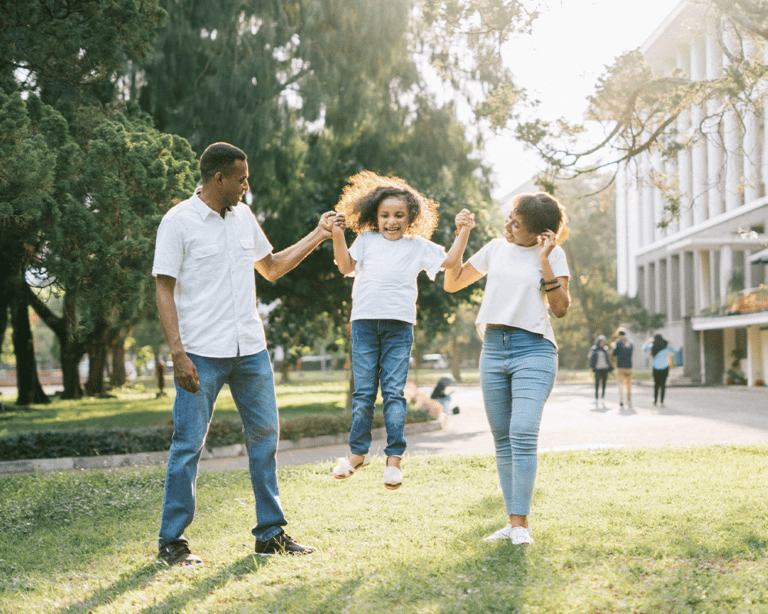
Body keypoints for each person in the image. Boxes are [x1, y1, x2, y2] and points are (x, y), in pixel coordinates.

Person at [153, 142, 334, 565]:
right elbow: (163, 287)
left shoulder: (244, 217)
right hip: (201, 353)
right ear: (219, 178)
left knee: (265, 439)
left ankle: (270, 534)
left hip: (251, 350)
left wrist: (319, 234)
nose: (246, 186)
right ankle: (172, 541)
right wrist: (177, 353)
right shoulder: (178, 221)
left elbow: (270, 267)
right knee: (188, 445)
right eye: (241, 178)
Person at [330, 170, 475, 490]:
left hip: (398, 327)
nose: (391, 221)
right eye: (385, 215)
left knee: (394, 392)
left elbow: (451, 263)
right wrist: (337, 235)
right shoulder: (366, 240)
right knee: (364, 392)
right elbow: (345, 267)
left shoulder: (418, 246)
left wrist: (462, 231)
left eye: (399, 215)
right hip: (365, 324)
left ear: (411, 218)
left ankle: (394, 460)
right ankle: (357, 454)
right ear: (375, 216)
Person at [444, 192, 570, 546]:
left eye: (518, 224)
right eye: (510, 218)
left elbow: (560, 308)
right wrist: (463, 234)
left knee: (523, 431)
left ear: (541, 234)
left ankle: (521, 526)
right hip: (493, 349)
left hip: (534, 349)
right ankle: (514, 524)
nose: (509, 226)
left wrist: (544, 260)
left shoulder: (554, 254)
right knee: (503, 440)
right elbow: (451, 282)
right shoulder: (496, 248)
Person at [642, 333, 677, 406]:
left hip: (656, 368)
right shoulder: (666, 345)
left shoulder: (652, 345)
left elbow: (644, 349)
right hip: (665, 367)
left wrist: (648, 342)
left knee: (656, 385)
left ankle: (655, 400)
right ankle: (662, 401)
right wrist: (669, 342)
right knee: (663, 384)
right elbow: (674, 350)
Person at [611, 327, 634, 408]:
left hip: (620, 366)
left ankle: (621, 399)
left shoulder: (617, 343)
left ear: (618, 335)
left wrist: (614, 346)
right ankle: (629, 399)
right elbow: (631, 352)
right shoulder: (630, 342)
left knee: (620, 383)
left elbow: (614, 354)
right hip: (629, 366)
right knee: (628, 384)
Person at [588, 335, 612, 402]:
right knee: (597, 383)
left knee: (604, 383)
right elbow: (591, 358)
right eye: (601, 342)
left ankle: (602, 397)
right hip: (597, 368)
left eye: (603, 342)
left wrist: (610, 368)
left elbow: (608, 359)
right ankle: (596, 397)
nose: (602, 343)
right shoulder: (594, 349)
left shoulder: (605, 349)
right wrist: (591, 367)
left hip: (605, 368)